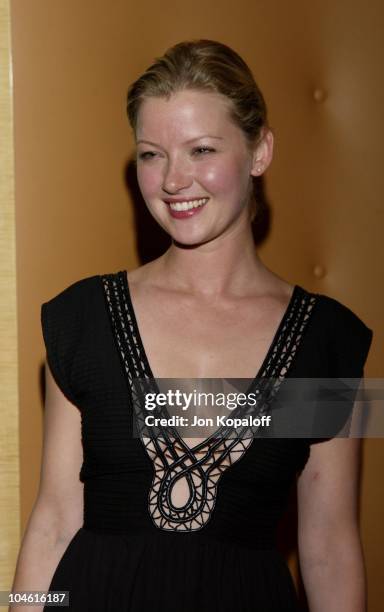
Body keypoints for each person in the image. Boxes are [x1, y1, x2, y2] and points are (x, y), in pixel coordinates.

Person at [10, 40, 373, 612]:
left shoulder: (327, 341)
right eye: (152, 154)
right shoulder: (83, 319)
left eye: (201, 149)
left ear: (260, 151)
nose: (174, 179)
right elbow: (54, 521)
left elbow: (329, 546)